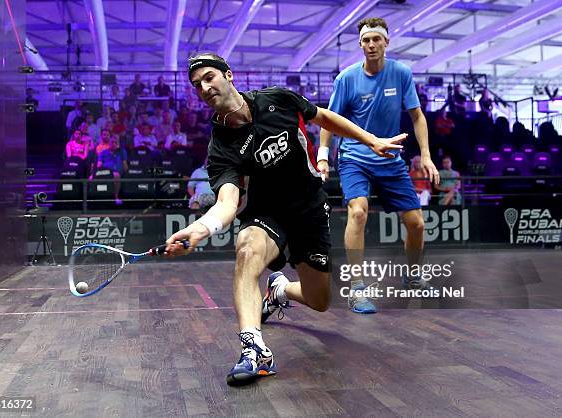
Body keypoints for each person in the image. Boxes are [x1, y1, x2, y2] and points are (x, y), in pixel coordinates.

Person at [163, 53, 406, 386]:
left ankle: (280, 291)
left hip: (308, 209)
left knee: (320, 301)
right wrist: (200, 228)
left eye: (208, 78)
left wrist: (371, 139)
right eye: (196, 85)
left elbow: (324, 117)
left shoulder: (276, 99)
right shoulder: (221, 148)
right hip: (266, 215)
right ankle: (255, 350)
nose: (203, 88)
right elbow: (227, 201)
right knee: (246, 248)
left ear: (228, 75)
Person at [318, 17, 439, 314]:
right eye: (366, 40)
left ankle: (412, 277)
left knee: (416, 224)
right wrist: (322, 154)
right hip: (354, 156)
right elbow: (328, 119)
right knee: (357, 212)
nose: (371, 45)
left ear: (386, 42)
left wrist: (425, 155)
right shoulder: (346, 78)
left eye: (376, 39)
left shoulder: (401, 73)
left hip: (390, 158)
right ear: (360, 45)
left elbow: (417, 116)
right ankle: (357, 288)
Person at [97, 135, 127, 205]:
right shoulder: (103, 153)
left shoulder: (122, 152)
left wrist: (126, 173)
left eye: (115, 142)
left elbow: (125, 165)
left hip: (117, 172)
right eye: (112, 142)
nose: (113, 144)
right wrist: (94, 174)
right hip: (105, 172)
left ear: (118, 144)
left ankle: (116, 197)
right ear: (109, 143)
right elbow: (99, 165)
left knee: (116, 175)